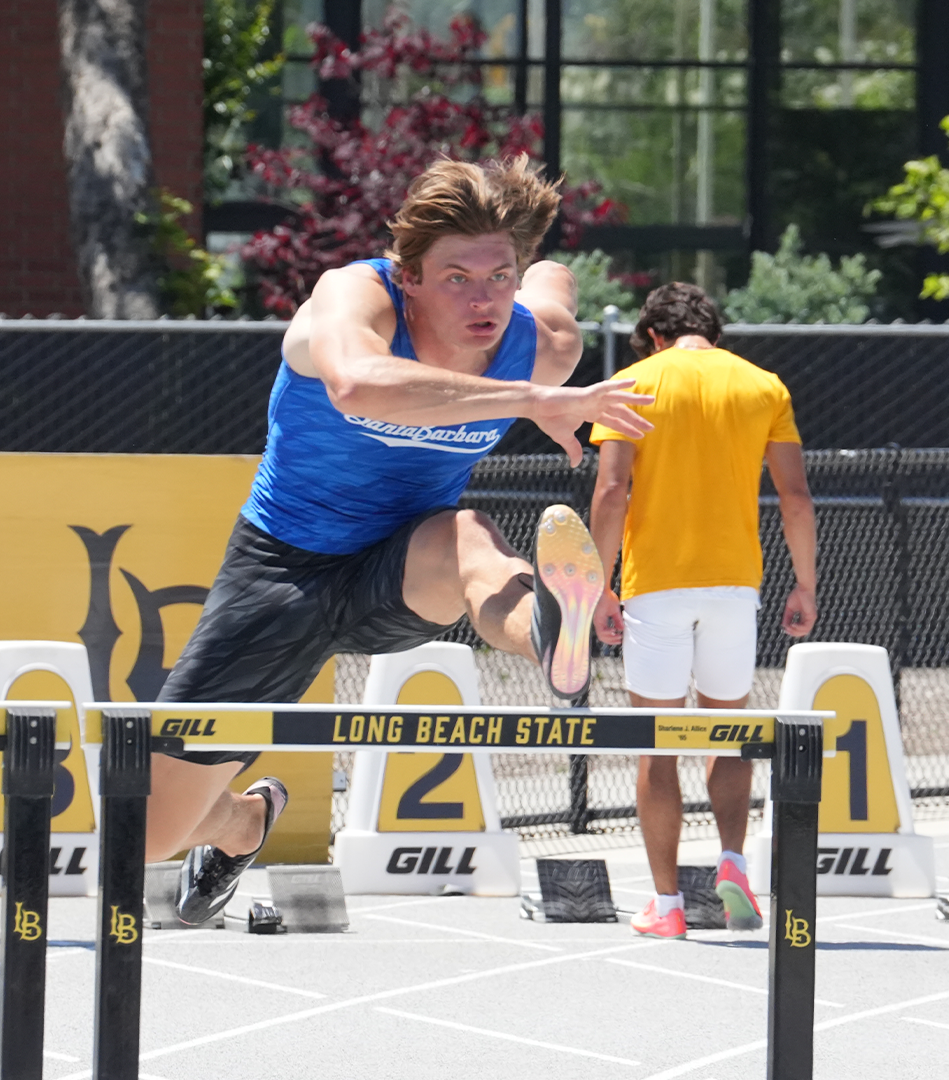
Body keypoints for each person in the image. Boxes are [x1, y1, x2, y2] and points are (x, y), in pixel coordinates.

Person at [152, 156, 654, 926]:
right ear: (408, 275)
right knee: (150, 834)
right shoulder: (355, 295)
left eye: (500, 276)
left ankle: (549, 633)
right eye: (457, 278)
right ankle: (241, 822)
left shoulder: (542, 339)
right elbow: (354, 382)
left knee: (468, 540)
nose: (485, 299)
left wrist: (540, 277)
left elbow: (553, 284)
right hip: (283, 566)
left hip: (406, 557)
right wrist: (529, 399)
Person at [587, 283, 817, 939]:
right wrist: (805, 584)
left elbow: (611, 492)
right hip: (734, 585)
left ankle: (667, 907)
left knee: (657, 748)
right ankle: (734, 864)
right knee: (730, 732)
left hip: (656, 584)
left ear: (654, 336)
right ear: (710, 331)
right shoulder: (762, 386)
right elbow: (795, 496)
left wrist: (601, 587)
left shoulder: (634, 382)